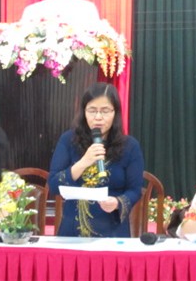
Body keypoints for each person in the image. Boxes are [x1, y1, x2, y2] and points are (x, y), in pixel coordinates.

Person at [48, 82, 144, 237]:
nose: (98, 117)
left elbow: (135, 190)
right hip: (72, 231)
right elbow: (53, 185)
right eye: (92, 110)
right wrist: (83, 162)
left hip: (112, 231)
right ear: (84, 112)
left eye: (105, 111)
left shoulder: (130, 146)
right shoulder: (68, 140)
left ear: (115, 113)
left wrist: (117, 202)